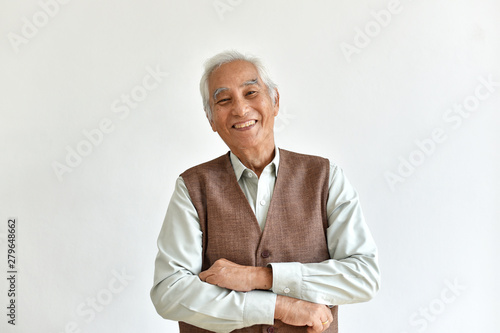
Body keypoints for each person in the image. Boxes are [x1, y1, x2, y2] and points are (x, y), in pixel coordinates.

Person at [150, 50, 380, 333]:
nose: (240, 109)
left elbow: (363, 276)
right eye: (223, 100)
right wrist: (281, 307)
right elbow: (170, 292)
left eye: (250, 92)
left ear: (275, 101)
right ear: (211, 120)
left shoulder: (326, 177)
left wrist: (260, 277)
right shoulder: (192, 187)